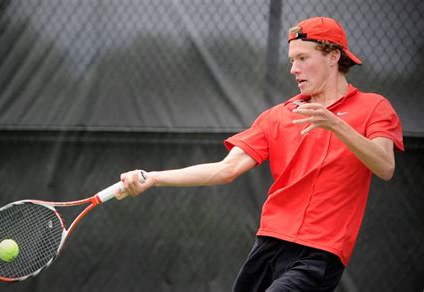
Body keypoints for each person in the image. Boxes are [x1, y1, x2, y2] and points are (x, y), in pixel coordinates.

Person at [118, 16, 404, 291]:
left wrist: (336, 125)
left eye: (303, 58)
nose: (293, 68)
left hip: (319, 254)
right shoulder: (276, 117)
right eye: (292, 60)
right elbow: (226, 169)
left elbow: (384, 166)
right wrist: (154, 178)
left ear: (333, 57)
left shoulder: (374, 108)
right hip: (268, 245)